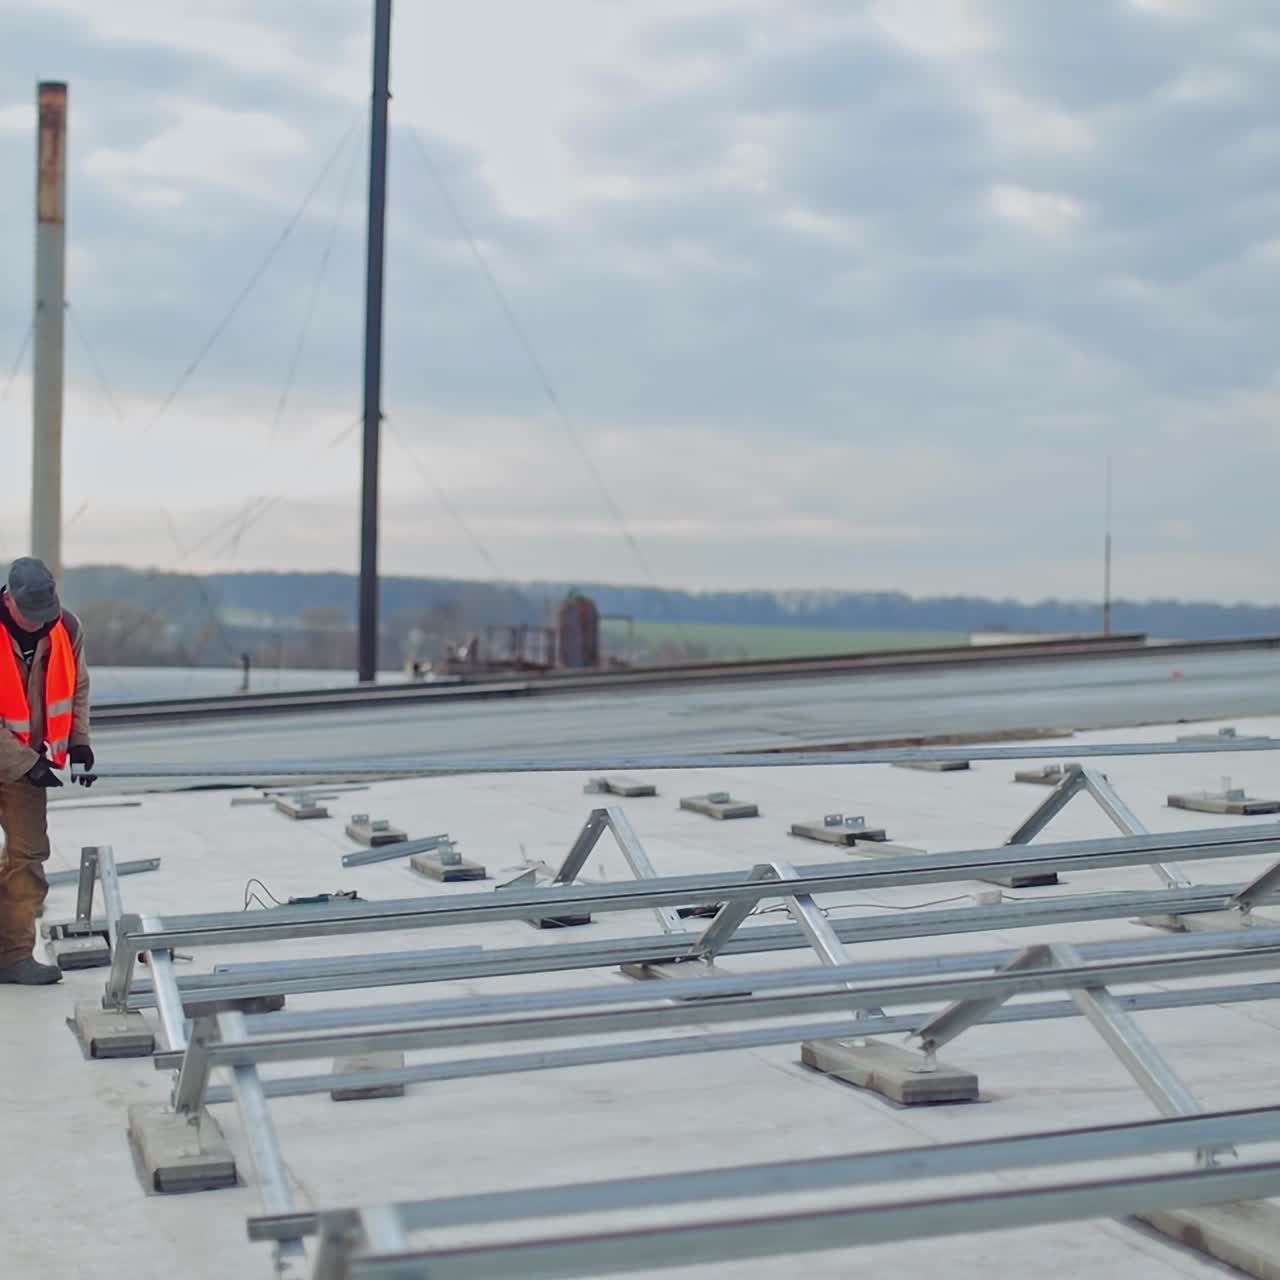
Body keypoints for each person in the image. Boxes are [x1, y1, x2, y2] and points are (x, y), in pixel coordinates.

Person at [0, 557, 94, 985]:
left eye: (46, 615)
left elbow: (76, 686)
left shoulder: (65, 627)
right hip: (22, 761)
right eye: (30, 616)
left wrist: (79, 742)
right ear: (9, 598)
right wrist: (28, 763)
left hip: (25, 768)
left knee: (27, 859)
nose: (39, 624)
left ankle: (13, 957)